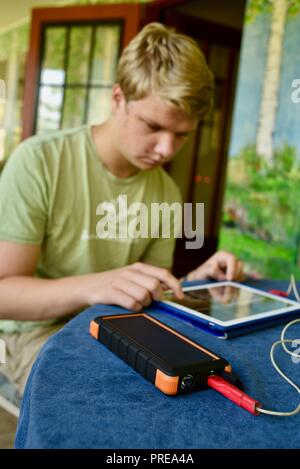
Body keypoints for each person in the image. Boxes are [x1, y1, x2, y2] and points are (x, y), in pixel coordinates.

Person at [0, 23, 243, 396]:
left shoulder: (166, 190)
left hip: (124, 326)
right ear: (118, 99)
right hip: (39, 331)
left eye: (182, 135)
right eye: (153, 126)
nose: (166, 149)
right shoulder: (39, 161)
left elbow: (150, 291)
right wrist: (94, 286)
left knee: (186, 393)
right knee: (97, 402)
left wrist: (198, 281)